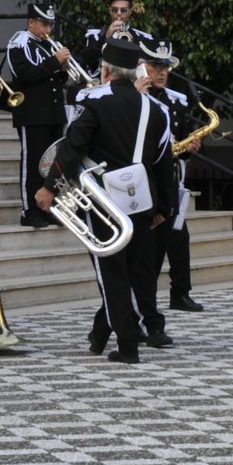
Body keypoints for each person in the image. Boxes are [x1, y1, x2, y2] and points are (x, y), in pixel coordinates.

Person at [36, 38, 175, 364]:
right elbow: (162, 162)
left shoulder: (92, 100)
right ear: (135, 71)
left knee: (110, 273)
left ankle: (127, 346)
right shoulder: (156, 108)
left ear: (106, 70)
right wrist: (163, 207)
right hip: (141, 199)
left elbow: (73, 148)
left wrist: (50, 187)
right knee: (130, 271)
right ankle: (100, 335)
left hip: (102, 200)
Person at [139, 38, 214, 312]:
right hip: (144, 182)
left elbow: (181, 144)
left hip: (172, 180)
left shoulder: (176, 101)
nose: (162, 72)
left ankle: (180, 293)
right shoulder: (134, 98)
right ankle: (144, 305)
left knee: (179, 240)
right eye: (155, 65)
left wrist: (190, 148)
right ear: (140, 66)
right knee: (148, 251)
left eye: (166, 67)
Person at [5, 3, 72, 228]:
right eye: (44, 23)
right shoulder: (19, 42)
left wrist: (62, 68)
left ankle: (48, 207)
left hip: (54, 112)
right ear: (31, 22)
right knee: (33, 163)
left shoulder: (47, 45)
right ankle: (29, 210)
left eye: (50, 24)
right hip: (33, 112)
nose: (48, 29)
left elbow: (58, 80)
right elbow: (24, 75)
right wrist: (55, 62)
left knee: (53, 164)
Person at [79, 0, 152, 71]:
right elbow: (87, 60)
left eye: (123, 10)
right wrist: (105, 38)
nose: (119, 14)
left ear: (130, 11)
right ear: (109, 10)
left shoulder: (141, 38)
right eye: (114, 10)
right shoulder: (95, 36)